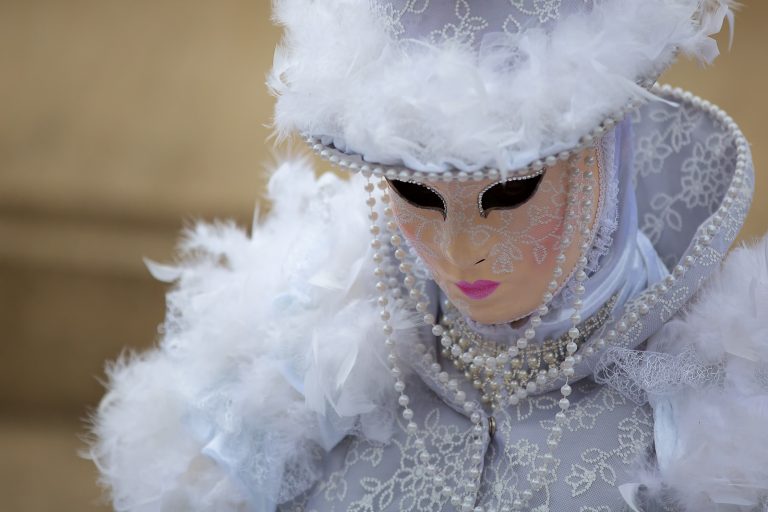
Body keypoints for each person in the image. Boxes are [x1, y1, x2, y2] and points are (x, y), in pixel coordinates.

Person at [88, 1, 768, 511]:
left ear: (600, 158)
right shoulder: (301, 368)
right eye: (416, 191)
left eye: (507, 192)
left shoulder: (715, 407)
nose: (457, 249)